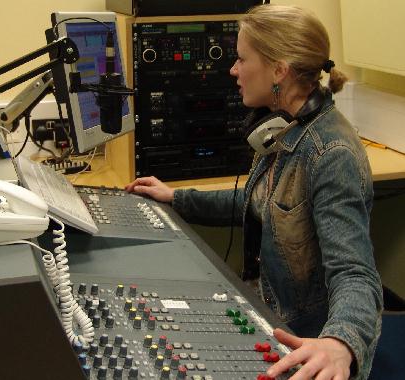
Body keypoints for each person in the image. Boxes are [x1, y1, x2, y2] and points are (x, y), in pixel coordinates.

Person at [126, 4, 383, 380]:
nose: (233, 70)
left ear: (279, 69)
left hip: (305, 347)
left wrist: (341, 343)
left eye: (242, 58)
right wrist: (177, 198)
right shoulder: (287, 130)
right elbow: (261, 202)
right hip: (267, 312)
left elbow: (355, 273)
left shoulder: (331, 154)